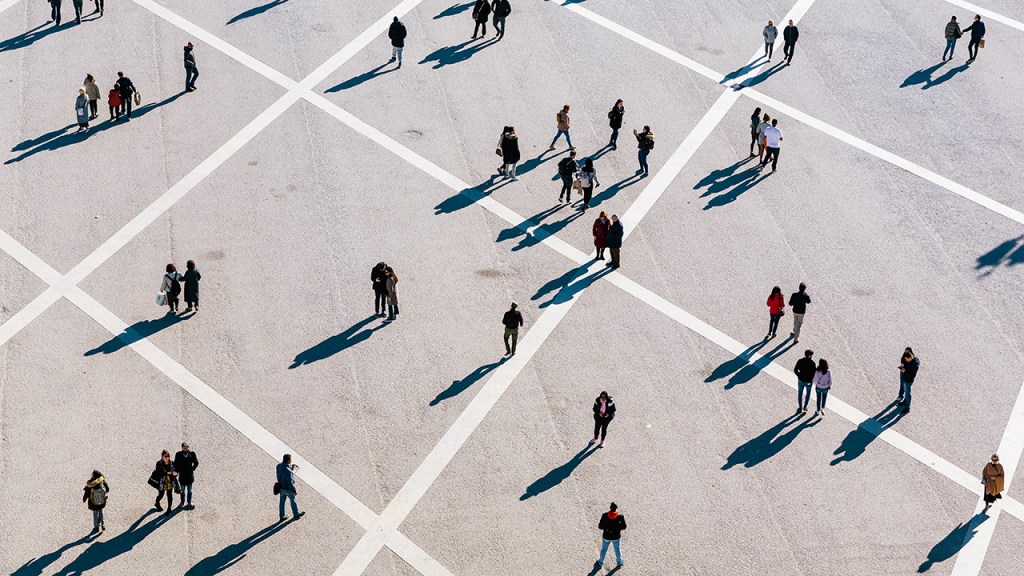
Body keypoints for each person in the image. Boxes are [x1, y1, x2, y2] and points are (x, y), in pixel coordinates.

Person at [596, 502, 626, 568]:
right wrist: (618, 529)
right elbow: (624, 527)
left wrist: (606, 528)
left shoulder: (605, 515)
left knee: (604, 549)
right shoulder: (620, 517)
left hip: (606, 536)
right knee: (617, 549)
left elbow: (600, 526)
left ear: (610, 508)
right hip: (616, 537)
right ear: (616, 508)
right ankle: (619, 562)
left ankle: (600, 562)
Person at [276, 454, 305, 521]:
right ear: (289, 460)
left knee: (282, 502)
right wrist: (294, 490)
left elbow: (281, 474)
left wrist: (290, 468)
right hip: (288, 489)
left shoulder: (278, 466)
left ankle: (282, 516)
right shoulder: (288, 471)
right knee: (293, 500)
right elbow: (290, 482)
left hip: (281, 487)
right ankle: (296, 513)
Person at [152, 450, 177, 515]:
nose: (167, 457)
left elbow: (175, 471)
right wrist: (169, 473)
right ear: (162, 456)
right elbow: (159, 473)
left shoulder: (172, 463)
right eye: (165, 456)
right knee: (161, 494)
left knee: (169, 495)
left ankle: (169, 508)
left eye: (168, 456)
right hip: (161, 482)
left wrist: (175, 474)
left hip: (169, 481)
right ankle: (157, 502)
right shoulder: (159, 463)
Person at [174, 442, 199, 508]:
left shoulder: (192, 454)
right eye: (184, 448)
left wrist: (192, 469)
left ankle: (189, 502)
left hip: (189, 476)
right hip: (182, 476)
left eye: (187, 448)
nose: (185, 449)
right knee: (182, 490)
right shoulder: (178, 454)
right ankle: (182, 502)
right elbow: (176, 465)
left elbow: (196, 463)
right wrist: (176, 472)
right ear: (182, 448)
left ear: (189, 448)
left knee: (190, 490)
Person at [897, 347, 919, 414]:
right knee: (904, 389)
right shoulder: (907, 357)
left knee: (908, 393)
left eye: (907, 359)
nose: (905, 360)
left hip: (908, 380)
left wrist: (904, 371)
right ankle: (904, 402)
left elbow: (911, 375)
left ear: (910, 357)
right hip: (904, 376)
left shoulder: (915, 364)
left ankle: (907, 408)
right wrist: (902, 366)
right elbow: (903, 359)